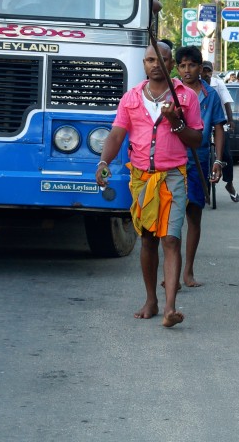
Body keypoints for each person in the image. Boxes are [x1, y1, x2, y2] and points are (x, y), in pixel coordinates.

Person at [95, 42, 203, 327]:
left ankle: (170, 307)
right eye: (150, 59)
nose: (156, 64)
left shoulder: (186, 98)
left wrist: (175, 122)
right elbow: (117, 135)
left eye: (162, 60)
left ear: (170, 64)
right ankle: (150, 300)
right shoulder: (130, 98)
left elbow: (197, 140)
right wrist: (103, 162)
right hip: (142, 179)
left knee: (171, 238)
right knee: (147, 240)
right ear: (144, 64)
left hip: (173, 178)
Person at [175, 46, 227, 288]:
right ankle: (171, 272)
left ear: (200, 67)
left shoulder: (210, 95)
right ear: (177, 68)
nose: (187, 70)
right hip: (172, 158)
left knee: (194, 215)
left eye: (192, 65)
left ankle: (188, 271)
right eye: (183, 66)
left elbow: (218, 126)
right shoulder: (171, 92)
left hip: (199, 157)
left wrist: (218, 160)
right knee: (171, 218)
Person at [201, 60, 239, 202]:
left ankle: (229, 184)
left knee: (227, 155)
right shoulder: (196, 85)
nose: (206, 74)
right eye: (204, 70)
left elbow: (226, 102)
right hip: (202, 124)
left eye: (208, 71)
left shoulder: (219, 83)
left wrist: (230, 120)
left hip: (219, 123)